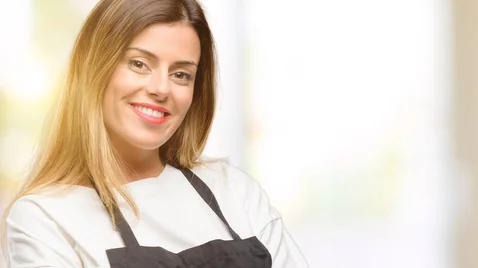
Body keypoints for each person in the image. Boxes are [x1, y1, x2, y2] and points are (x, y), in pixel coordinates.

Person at [1, 0, 309, 267]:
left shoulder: (235, 192)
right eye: (139, 64)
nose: (161, 89)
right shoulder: (44, 218)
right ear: (94, 69)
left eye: (180, 74)